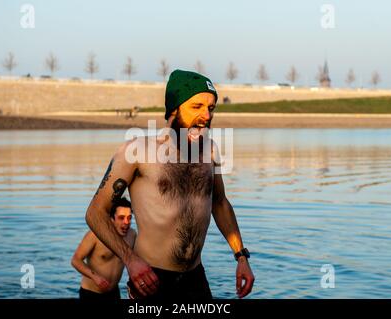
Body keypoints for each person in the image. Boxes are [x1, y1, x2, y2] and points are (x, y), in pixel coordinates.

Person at [85, 69, 255, 300]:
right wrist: (131, 260)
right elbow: (95, 212)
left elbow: (219, 203)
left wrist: (241, 257)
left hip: (195, 278)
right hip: (150, 278)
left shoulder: (210, 150)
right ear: (174, 109)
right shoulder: (137, 151)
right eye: (197, 107)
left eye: (211, 108)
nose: (206, 115)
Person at [72, 197, 136, 300]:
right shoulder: (95, 235)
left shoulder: (132, 235)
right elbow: (75, 260)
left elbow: (134, 262)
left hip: (114, 292)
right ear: (111, 218)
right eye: (121, 217)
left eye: (129, 217)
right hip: (90, 293)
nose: (126, 222)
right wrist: (95, 277)